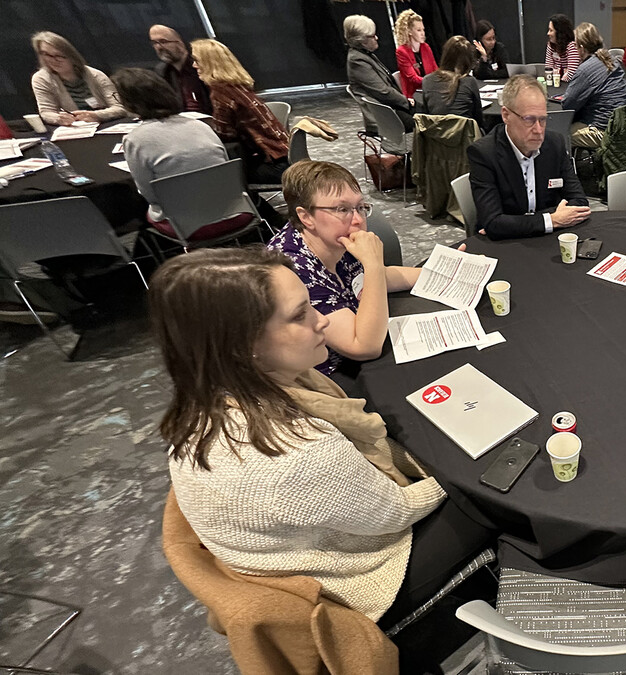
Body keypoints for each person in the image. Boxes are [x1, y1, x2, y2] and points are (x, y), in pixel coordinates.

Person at [152, 246, 494, 634]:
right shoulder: (299, 452)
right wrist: (462, 471)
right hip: (346, 588)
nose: (321, 322)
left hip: (286, 548)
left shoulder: (208, 395)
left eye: (311, 305)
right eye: (300, 315)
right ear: (241, 345)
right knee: (489, 497)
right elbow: (396, 512)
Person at [266, 161, 430, 380]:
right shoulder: (292, 268)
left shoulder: (335, 240)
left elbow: (377, 276)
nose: (358, 220)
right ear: (305, 217)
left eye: (360, 207)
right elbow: (363, 347)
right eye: (342, 209)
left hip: (356, 356)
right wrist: (372, 263)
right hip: (327, 377)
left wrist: (441, 274)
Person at [466, 75, 590, 240]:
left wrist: (515, 223)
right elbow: (493, 223)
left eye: (543, 120)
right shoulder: (484, 153)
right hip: (505, 246)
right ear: (506, 115)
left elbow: (580, 203)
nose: (538, 130)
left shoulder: (555, 144)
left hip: (546, 241)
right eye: (529, 119)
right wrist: (552, 219)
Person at [111, 68, 228, 225]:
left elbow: (150, 195)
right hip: (231, 207)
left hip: (183, 220)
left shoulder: (135, 140)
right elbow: (226, 168)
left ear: (130, 102)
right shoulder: (200, 125)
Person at [191, 39, 290, 184]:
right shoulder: (238, 86)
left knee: (220, 177)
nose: (193, 65)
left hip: (276, 165)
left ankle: (253, 205)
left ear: (208, 63)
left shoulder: (220, 92)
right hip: (287, 155)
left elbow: (225, 135)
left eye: (197, 61)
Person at [30, 31, 126, 126]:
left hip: (106, 125)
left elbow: (119, 108)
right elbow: (46, 112)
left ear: (71, 56)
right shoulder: (41, 79)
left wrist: (97, 115)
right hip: (76, 129)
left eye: (58, 56)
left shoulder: (95, 75)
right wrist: (58, 118)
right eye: (46, 54)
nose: (53, 60)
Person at [560, 23, 626, 150]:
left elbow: (567, 105)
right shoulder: (613, 61)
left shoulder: (585, 70)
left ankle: (566, 169)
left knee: (559, 134)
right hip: (624, 126)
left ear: (582, 48)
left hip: (603, 131)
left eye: (575, 46)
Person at [344, 14, 415, 132]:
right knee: (427, 122)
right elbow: (383, 92)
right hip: (386, 114)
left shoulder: (365, 55)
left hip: (391, 107)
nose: (376, 38)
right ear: (362, 41)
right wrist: (406, 102)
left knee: (430, 113)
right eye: (372, 36)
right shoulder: (357, 60)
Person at [149, 25, 212, 114]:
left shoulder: (200, 65)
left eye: (163, 41)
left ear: (180, 43)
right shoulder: (162, 71)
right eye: (154, 43)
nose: (159, 47)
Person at [422, 36, 484, 125]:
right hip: (465, 136)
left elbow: (426, 116)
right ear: (468, 60)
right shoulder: (469, 82)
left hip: (435, 135)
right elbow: (478, 119)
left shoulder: (427, 80)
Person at [394, 9, 436, 98]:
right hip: (414, 95)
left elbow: (435, 70)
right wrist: (434, 82)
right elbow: (413, 79)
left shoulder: (426, 47)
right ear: (409, 31)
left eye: (423, 30)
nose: (423, 33)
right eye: (419, 30)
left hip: (431, 90)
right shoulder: (401, 52)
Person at [546, 14, 581, 83]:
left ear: (559, 32)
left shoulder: (572, 46)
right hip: (556, 83)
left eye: (551, 30)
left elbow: (571, 75)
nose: (548, 33)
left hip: (569, 84)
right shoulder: (551, 45)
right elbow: (548, 69)